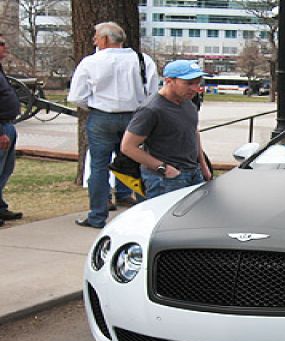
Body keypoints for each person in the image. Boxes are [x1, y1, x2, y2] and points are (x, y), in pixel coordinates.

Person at [69, 22, 158, 228]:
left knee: (99, 166)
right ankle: (141, 210)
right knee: (137, 163)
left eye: (96, 37)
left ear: (106, 39)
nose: (94, 41)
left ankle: (97, 215)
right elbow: (152, 92)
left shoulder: (90, 62)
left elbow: (77, 96)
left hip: (102, 117)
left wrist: (95, 107)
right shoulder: (142, 60)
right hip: (135, 117)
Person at [120, 60, 212, 199]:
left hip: (193, 172)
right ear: (169, 81)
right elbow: (128, 147)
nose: (195, 88)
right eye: (189, 83)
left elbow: (194, 132)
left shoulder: (189, 103)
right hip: (165, 180)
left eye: (198, 83)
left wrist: (203, 165)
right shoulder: (151, 109)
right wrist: (164, 168)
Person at [0, 34, 22, 227]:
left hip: (8, 125)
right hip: (1, 128)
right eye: (1, 44)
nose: (5, 48)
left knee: (6, 170)